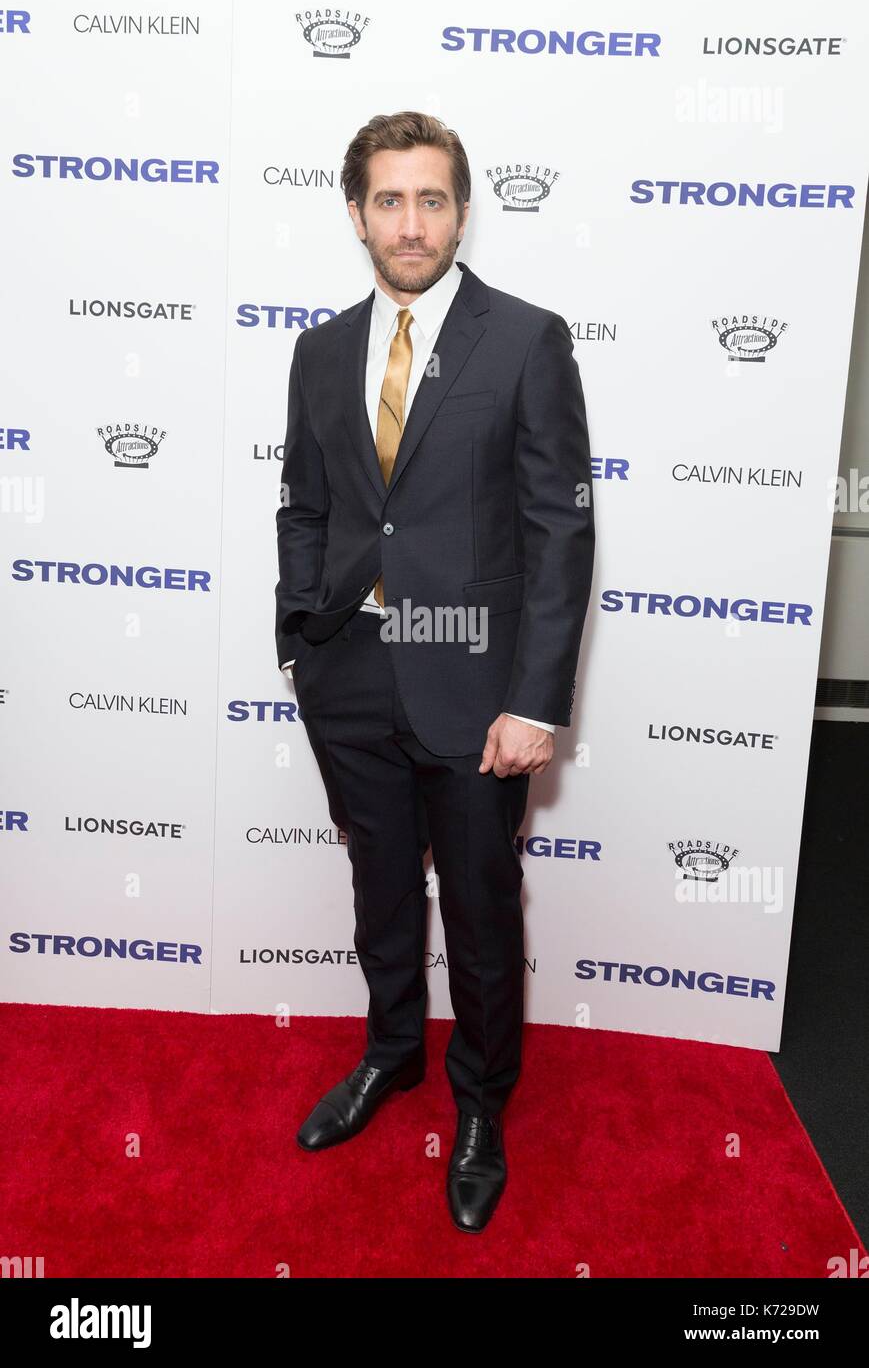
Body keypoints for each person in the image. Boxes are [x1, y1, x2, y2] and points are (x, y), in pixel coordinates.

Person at [274, 111, 594, 1232]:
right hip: (349, 678)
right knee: (376, 892)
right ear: (355, 212)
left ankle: (480, 1103)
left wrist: (534, 699)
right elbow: (305, 505)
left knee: (481, 907)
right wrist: (297, 639)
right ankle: (392, 1055)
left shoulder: (525, 340)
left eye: (431, 199)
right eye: (389, 200)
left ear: (461, 209)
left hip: (476, 689)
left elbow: (559, 533)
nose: (410, 224)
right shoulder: (318, 351)